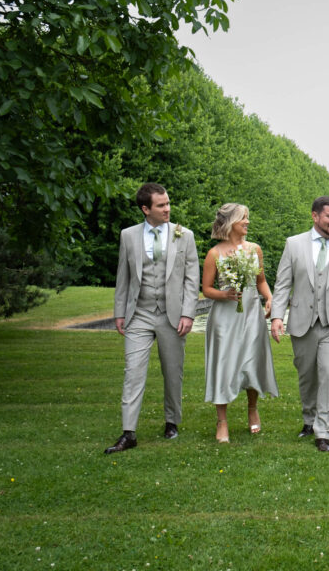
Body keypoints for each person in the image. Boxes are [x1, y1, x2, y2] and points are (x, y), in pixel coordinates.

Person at [105, 182, 199, 454]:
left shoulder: (185, 236)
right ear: (146, 209)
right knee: (133, 372)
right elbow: (122, 276)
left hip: (172, 316)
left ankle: (172, 421)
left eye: (168, 203)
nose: (168, 208)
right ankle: (128, 433)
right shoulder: (128, 236)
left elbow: (192, 280)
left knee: (173, 372)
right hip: (139, 314)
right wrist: (120, 313)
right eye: (161, 205)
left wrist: (188, 313)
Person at [270, 196, 329, 452]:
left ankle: (323, 432)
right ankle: (309, 419)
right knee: (307, 375)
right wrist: (277, 316)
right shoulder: (294, 244)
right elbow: (283, 283)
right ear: (315, 216)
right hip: (302, 321)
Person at [202, 204, 279, 443]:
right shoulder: (214, 254)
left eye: (247, 218)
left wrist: (269, 297)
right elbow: (206, 289)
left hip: (251, 316)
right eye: (243, 218)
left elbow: (261, 281)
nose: (247, 222)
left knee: (252, 361)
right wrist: (224, 294)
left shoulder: (254, 249)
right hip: (225, 318)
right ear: (230, 223)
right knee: (223, 364)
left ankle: (252, 409)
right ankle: (222, 421)